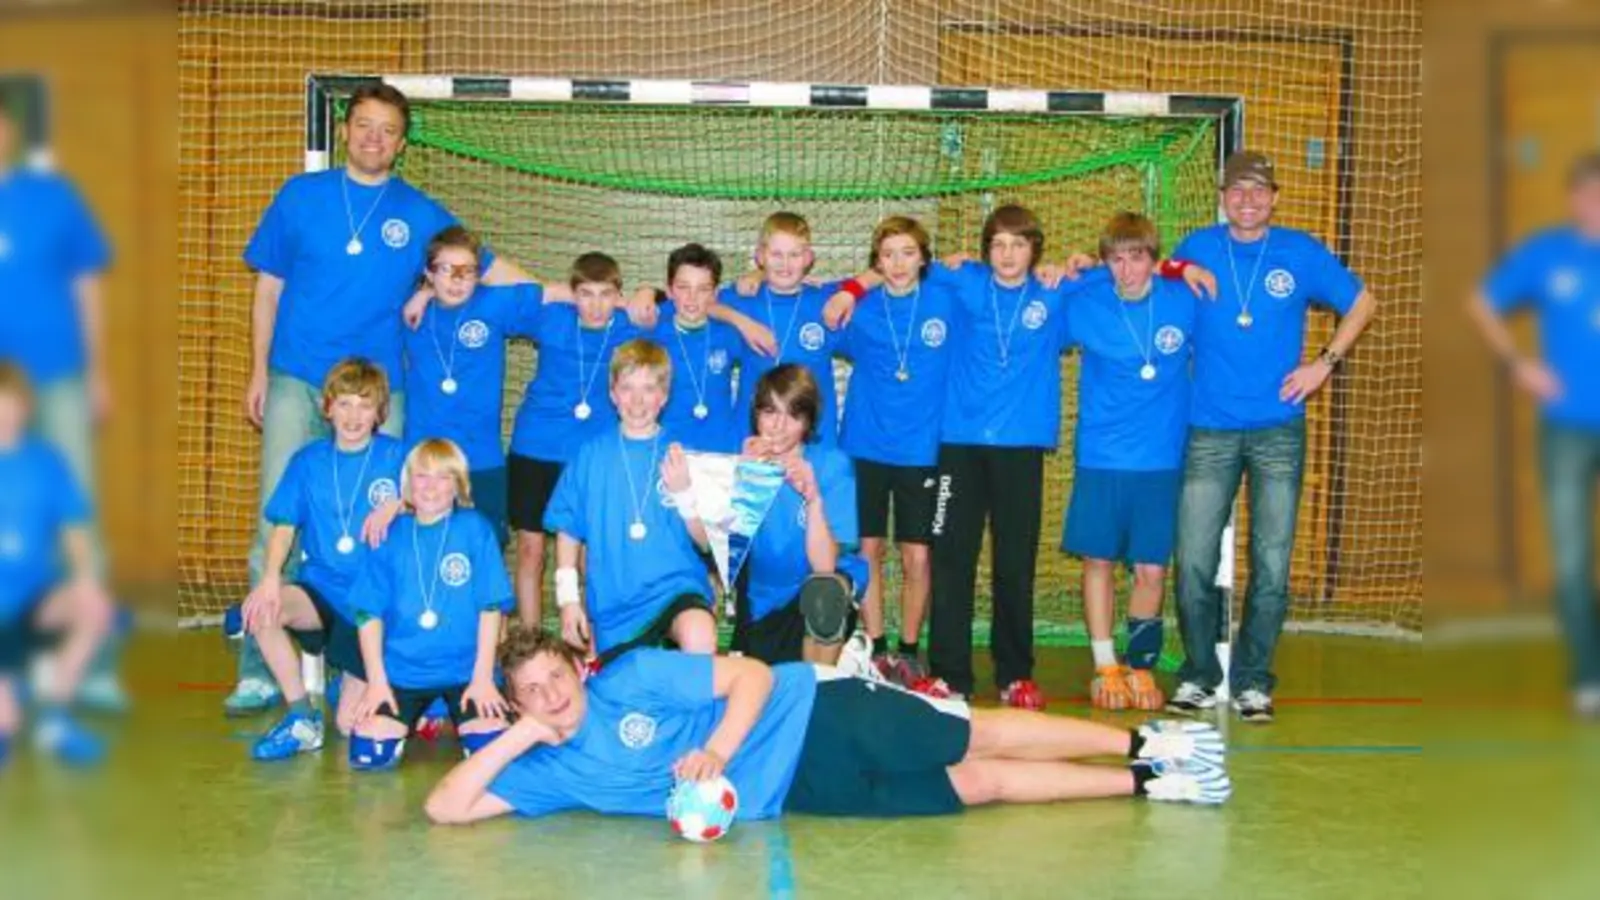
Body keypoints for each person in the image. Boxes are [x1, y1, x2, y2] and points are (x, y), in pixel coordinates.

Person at [822, 206, 1215, 709]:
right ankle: (951, 675)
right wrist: (850, 289)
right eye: (999, 245)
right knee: (952, 562)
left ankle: (1014, 674)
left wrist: (1183, 268)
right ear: (987, 251)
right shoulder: (961, 282)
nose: (1008, 255)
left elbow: (1127, 265)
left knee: (1014, 563)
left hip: (1021, 449)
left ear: (1035, 251)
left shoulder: (1057, 290)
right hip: (958, 447)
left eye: (1019, 245)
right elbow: (897, 264)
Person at [227, 83, 527, 715]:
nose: (373, 137)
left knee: (385, 523)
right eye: (363, 124)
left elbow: (486, 270)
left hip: (380, 392)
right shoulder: (300, 196)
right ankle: (259, 667)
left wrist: (586, 297)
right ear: (345, 130)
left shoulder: (418, 213)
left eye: (388, 129)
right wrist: (258, 370)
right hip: (296, 378)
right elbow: (268, 288)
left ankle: (367, 662)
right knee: (275, 520)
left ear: (402, 140)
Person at [422, 626, 1232, 825]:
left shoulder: (630, 679)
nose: (554, 696)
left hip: (814, 712)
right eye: (533, 692)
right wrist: (523, 739)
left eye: (558, 677)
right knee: (975, 787)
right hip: (796, 795)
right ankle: (1148, 782)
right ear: (518, 701)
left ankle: (1144, 739)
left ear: (576, 667)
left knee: (973, 736)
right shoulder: (544, 769)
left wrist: (714, 750)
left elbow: (746, 675)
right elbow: (445, 810)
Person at [1169, 151, 1377, 723]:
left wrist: (1324, 363)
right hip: (1208, 426)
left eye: (1259, 191)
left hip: (1278, 430)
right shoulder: (1199, 244)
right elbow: (1151, 268)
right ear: (1222, 195)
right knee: (1191, 559)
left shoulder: (1300, 250)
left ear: (1275, 197)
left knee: (1272, 561)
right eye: (1238, 190)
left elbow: (1363, 301)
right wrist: (1176, 269)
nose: (1248, 200)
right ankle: (1198, 675)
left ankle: (1254, 680)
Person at [0, 93, 126, 711]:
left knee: (76, 513)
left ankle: (91, 663)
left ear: (12, 132)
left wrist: (99, 373)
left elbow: (87, 287)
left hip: (59, 378)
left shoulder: (54, 198)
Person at [1469, 151, 1600, 718]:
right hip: (1566, 430)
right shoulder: (1549, 253)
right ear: (1574, 199)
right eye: (1589, 194)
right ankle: (1589, 677)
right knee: (1571, 560)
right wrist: (1519, 366)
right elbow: (1482, 302)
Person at [1059, 213, 1197, 712]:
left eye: (1136, 257)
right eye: (1115, 258)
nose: (1127, 269)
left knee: (1150, 570)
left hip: (1160, 461)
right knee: (1098, 561)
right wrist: (1084, 269)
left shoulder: (1183, 301)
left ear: (1153, 259)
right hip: (1101, 457)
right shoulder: (1087, 304)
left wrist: (1182, 268)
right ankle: (1105, 665)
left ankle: (1140, 665)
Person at [240, 358, 407, 760]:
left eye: (364, 405)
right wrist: (269, 580)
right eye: (344, 404)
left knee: (351, 728)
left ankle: (347, 680)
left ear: (380, 413)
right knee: (263, 611)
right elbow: (282, 524)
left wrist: (402, 503)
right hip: (322, 592)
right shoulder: (307, 462)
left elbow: (445, 495)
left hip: (373, 605)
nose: (353, 416)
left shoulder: (398, 456)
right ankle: (301, 716)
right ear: (327, 407)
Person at [833, 216, 956, 685]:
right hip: (864, 445)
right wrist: (852, 287)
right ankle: (876, 645)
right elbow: (821, 310)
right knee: (868, 550)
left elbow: (980, 281)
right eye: (887, 255)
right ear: (875, 262)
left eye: (908, 252)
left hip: (922, 450)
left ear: (923, 257)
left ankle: (908, 649)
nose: (898, 263)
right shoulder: (861, 308)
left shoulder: (945, 301)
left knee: (917, 557)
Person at [544, 339, 718, 662]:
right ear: (612, 393)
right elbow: (567, 529)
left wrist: (684, 495)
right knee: (629, 701)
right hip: (614, 603)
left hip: (675, 588)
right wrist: (568, 599)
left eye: (649, 389)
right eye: (627, 388)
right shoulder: (589, 455)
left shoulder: (684, 454)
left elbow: (707, 542)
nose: (638, 401)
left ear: (664, 396)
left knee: (699, 637)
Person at [345, 438, 514, 769]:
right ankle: (424, 717)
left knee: (493, 753)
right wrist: (377, 683)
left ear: (459, 486)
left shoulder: (475, 529)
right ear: (407, 483)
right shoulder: (388, 533)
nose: (431, 487)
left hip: (465, 671)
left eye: (444, 477)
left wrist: (482, 678)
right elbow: (367, 613)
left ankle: (452, 717)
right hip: (403, 673)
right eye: (422, 476)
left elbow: (491, 608)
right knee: (368, 754)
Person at [506, 253, 643, 627]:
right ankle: (531, 644)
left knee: (589, 556)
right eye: (585, 294)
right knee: (531, 551)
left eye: (605, 294)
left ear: (619, 295)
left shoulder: (631, 326)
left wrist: (650, 292)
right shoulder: (552, 319)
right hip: (535, 447)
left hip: (591, 456)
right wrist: (423, 293)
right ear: (572, 294)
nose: (595, 306)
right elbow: (495, 297)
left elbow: (687, 306)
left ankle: (593, 647)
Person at [400, 225, 554, 539]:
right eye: (446, 270)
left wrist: (628, 301)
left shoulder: (492, 304)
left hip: (481, 458)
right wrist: (425, 293)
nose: (456, 280)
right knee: (425, 553)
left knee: (484, 552)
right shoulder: (407, 314)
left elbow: (553, 294)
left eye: (467, 271)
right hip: (423, 461)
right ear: (428, 272)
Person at [0, 361, 114, 767]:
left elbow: (74, 527)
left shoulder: (46, 462)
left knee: (95, 608)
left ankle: (55, 718)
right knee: (5, 725)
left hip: (33, 599)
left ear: (25, 407)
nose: (5, 413)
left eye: (12, 403)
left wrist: (85, 579)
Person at [731, 365, 870, 668]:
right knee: (770, 690)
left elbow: (825, 567)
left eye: (792, 415)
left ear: (807, 422)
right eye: (770, 412)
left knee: (824, 593)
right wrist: (742, 484)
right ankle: (843, 662)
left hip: (817, 588)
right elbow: (723, 554)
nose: (778, 426)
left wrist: (813, 498)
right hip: (765, 599)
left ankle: (825, 683)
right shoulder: (741, 466)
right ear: (756, 414)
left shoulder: (831, 465)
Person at [723, 213, 846, 445]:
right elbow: (698, 302)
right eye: (776, 254)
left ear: (809, 258)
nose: (785, 264)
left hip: (814, 442)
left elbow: (882, 274)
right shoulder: (743, 299)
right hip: (753, 441)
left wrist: (850, 292)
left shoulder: (826, 300)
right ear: (760, 256)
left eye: (794, 255)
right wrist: (741, 322)